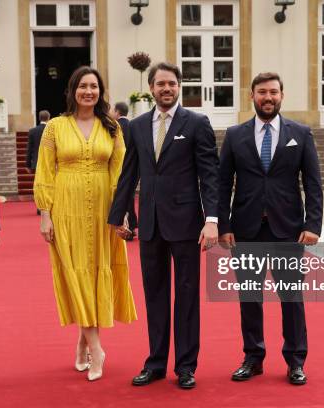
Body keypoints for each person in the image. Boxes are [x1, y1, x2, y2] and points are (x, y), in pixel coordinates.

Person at [108, 62, 219, 390]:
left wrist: (211, 220)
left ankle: (186, 366)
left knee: (186, 296)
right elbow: (128, 175)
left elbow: (209, 175)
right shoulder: (137, 126)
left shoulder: (197, 123)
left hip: (187, 225)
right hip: (152, 226)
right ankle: (155, 363)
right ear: (151, 88)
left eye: (171, 83)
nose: (166, 88)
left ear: (179, 86)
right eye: (160, 84)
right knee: (155, 296)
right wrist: (120, 216)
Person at [218, 72, 323, 386]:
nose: (268, 97)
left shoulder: (300, 133)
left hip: (288, 230)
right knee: (249, 298)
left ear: (282, 95)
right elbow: (222, 185)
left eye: (273, 92)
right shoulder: (235, 135)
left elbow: (313, 184)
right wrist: (223, 225)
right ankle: (253, 358)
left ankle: (295, 360)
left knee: (291, 298)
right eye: (262, 92)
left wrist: (313, 224)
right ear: (252, 96)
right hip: (246, 229)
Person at [34, 66, 137, 382]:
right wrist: (45, 215)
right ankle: (96, 346)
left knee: (95, 274)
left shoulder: (113, 128)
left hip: (104, 211)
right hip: (66, 211)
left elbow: (122, 172)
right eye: (83, 86)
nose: (88, 92)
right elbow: (44, 173)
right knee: (76, 274)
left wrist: (123, 213)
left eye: (94, 86)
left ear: (100, 92)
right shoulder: (54, 127)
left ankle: (82, 344)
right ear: (72, 90)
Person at [110, 102, 138, 240]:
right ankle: (132, 225)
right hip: (133, 168)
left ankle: (127, 226)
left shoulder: (115, 127)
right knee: (130, 198)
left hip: (119, 168)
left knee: (121, 197)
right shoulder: (134, 126)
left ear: (117, 112)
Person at [27, 110, 50, 215]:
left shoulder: (32, 131)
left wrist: (27, 164)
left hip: (37, 162)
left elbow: (29, 149)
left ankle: (40, 207)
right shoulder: (51, 129)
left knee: (39, 185)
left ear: (39, 118)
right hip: (50, 161)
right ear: (48, 117)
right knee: (49, 184)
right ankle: (48, 206)